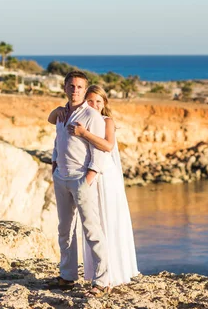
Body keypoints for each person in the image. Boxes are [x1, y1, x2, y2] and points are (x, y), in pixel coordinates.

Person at [48, 85, 139, 289]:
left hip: (103, 178)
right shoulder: (79, 117)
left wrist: (84, 133)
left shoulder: (106, 121)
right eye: (90, 101)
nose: (94, 105)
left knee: (103, 225)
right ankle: (81, 274)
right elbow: (57, 131)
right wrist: (60, 110)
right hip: (85, 177)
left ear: (105, 103)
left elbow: (107, 146)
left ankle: (110, 275)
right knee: (85, 225)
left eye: (99, 101)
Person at [48, 71, 109, 297]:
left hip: (81, 179)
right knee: (65, 230)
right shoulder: (62, 113)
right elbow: (58, 140)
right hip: (61, 178)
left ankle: (102, 280)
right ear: (65, 87)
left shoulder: (92, 116)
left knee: (91, 230)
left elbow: (100, 151)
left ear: (85, 90)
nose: (75, 90)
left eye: (80, 87)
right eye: (71, 86)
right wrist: (54, 164)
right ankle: (67, 276)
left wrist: (88, 178)